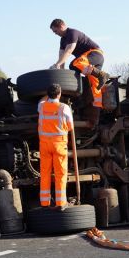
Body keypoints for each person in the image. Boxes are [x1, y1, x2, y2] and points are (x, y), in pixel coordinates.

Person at [49, 19, 109, 119]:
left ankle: (102, 74)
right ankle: (96, 118)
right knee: (95, 86)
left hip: (95, 54)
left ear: (62, 26)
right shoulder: (62, 40)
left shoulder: (72, 33)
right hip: (88, 60)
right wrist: (61, 73)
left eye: (56, 31)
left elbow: (68, 51)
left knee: (74, 64)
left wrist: (56, 65)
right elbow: (62, 57)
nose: (55, 34)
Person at [38, 83, 74, 211]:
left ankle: (44, 203)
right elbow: (70, 127)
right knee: (60, 174)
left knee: (45, 173)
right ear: (60, 94)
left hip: (44, 145)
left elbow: (42, 101)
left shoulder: (41, 106)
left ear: (47, 95)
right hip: (59, 145)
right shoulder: (64, 108)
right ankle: (60, 203)